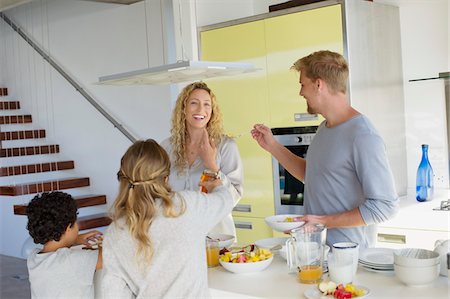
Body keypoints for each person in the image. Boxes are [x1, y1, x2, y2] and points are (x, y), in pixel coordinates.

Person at [251, 50, 398, 249]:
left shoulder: (363, 136)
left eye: (303, 84)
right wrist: (272, 146)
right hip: (317, 251)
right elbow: (311, 174)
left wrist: (323, 221)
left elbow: (384, 207)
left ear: (318, 85)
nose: (301, 92)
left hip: (349, 256)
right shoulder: (325, 128)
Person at [101, 139, 234, 298]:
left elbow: (113, 294)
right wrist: (215, 178)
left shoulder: (115, 232)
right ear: (166, 178)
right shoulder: (187, 206)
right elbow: (227, 199)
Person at [161, 81, 243, 239]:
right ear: (183, 109)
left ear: (212, 111)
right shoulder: (166, 147)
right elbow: (159, 194)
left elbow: (233, 199)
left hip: (216, 238)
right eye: (194, 103)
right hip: (177, 237)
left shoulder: (226, 146)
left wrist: (212, 165)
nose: (201, 110)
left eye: (207, 104)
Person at [26, 191, 103, 299]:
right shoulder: (73, 260)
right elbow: (110, 257)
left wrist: (76, 239)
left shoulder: (33, 258)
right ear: (68, 228)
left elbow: (58, 250)